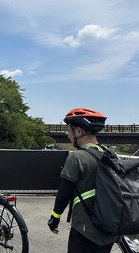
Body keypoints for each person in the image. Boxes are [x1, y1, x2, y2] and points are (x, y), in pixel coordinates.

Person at [47, 108, 119, 253]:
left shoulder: (77, 157)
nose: (68, 135)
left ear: (78, 132)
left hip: (86, 229)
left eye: (69, 131)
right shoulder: (111, 155)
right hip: (110, 227)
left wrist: (54, 218)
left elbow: (64, 192)